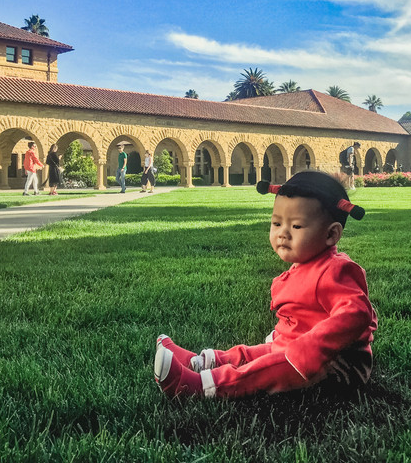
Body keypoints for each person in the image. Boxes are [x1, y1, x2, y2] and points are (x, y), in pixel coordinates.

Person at [154, 171, 376, 399]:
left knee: (264, 369)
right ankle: (198, 361)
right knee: (251, 353)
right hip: (292, 346)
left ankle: (200, 386)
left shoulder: (335, 270)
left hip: (332, 365)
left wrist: (310, 347)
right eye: (277, 223)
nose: (282, 234)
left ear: (331, 234)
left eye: (296, 226)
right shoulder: (307, 263)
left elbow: (357, 314)